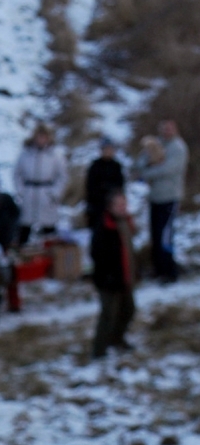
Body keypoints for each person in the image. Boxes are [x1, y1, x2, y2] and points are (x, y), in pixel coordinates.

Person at [135, 120, 188, 283]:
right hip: (155, 197)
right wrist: (147, 167)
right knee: (155, 234)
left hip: (170, 198)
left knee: (166, 236)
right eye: (163, 129)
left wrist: (148, 172)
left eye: (169, 129)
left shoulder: (178, 148)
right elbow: (141, 163)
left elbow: (167, 170)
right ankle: (158, 269)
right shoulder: (156, 145)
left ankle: (170, 272)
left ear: (175, 130)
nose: (166, 132)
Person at [90, 189, 137, 357]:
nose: (123, 208)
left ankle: (116, 339)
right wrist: (108, 278)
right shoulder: (103, 227)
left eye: (125, 204)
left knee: (129, 310)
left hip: (126, 277)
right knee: (108, 315)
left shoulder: (126, 223)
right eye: (119, 204)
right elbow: (98, 256)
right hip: (108, 281)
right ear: (110, 207)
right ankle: (99, 351)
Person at [13, 123, 67, 244]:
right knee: (24, 229)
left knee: (49, 230)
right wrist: (21, 191)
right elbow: (17, 174)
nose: (41, 139)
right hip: (29, 193)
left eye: (44, 136)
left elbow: (62, 176)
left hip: (46, 194)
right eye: (39, 136)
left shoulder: (55, 155)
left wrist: (55, 193)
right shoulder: (25, 154)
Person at [85, 138, 125, 233]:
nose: (108, 151)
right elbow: (90, 187)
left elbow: (120, 185)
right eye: (105, 149)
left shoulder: (116, 166)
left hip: (113, 206)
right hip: (98, 206)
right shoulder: (95, 166)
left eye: (110, 149)